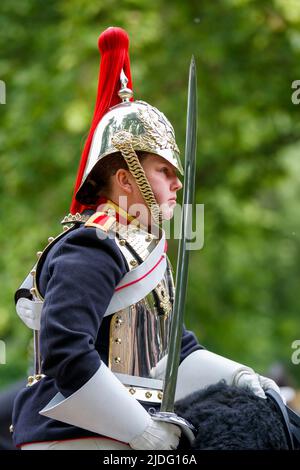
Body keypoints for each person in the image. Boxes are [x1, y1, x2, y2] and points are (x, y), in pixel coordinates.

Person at [12, 27, 282, 451]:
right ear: (125, 178)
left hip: (127, 429)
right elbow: (65, 348)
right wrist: (141, 430)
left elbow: (172, 353)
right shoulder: (93, 245)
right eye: (164, 172)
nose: (177, 184)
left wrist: (240, 378)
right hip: (74, 434)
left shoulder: (141, 248)